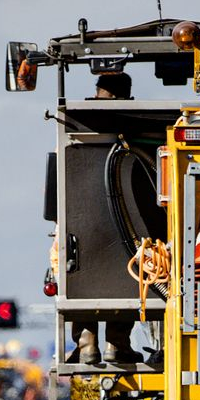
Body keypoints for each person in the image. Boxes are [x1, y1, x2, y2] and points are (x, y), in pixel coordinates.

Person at [62, 72, 141, 364]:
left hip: (84, 225)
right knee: (128, 274)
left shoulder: (79, 126)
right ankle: (117, 344)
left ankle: (86, 344)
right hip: (129, 227)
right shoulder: (138, 125)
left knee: (81, 274)